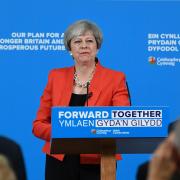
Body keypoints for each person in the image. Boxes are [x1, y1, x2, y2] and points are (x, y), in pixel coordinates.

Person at [32, 19, 130, 180]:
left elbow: (122, 120)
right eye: (77, 41)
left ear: (97, 47)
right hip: (59, 160)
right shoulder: (55, 76)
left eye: (89, 41)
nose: (84, 45)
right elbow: (38, 125)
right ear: (70, 48)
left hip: (99, 160)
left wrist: (89, 132)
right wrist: (64, 132)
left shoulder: (116, 78)